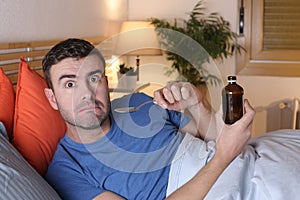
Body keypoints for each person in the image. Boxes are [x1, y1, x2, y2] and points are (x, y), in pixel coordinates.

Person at [42, 38, 255, 200]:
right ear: (52, 98)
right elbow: (224, 151)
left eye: (94, 78)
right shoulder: (66, 170)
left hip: (243, 163)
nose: (87, 93)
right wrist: (223, 156)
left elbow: (212, 139)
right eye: (70, 84)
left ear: (106, 83)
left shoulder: (138, 102)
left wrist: (198, 104)